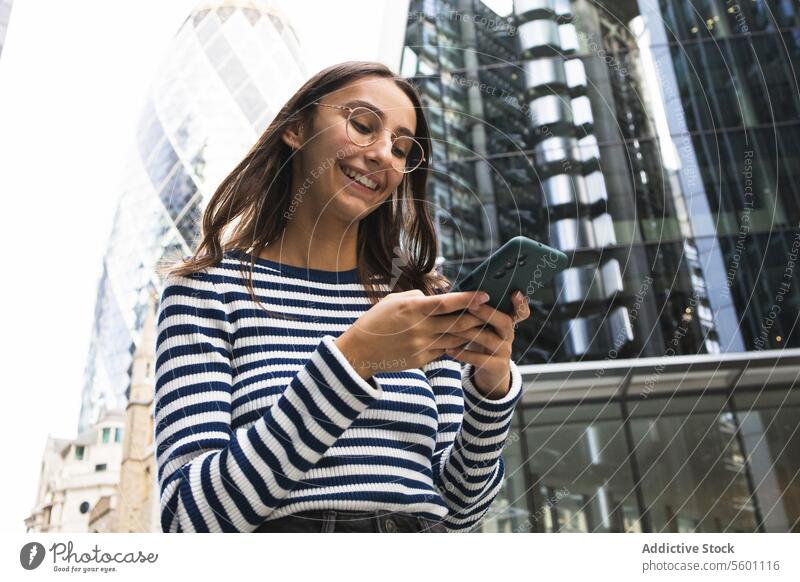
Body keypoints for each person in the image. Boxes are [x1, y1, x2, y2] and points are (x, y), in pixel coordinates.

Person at [154, 61, 531, 533]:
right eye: (362, 125)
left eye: (401, 148)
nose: (382, 156)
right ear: (295, 128)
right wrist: (354, 360)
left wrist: (491, 388)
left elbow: (459, 510)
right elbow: (190, 519)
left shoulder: (416, 302)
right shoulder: (207, 291)